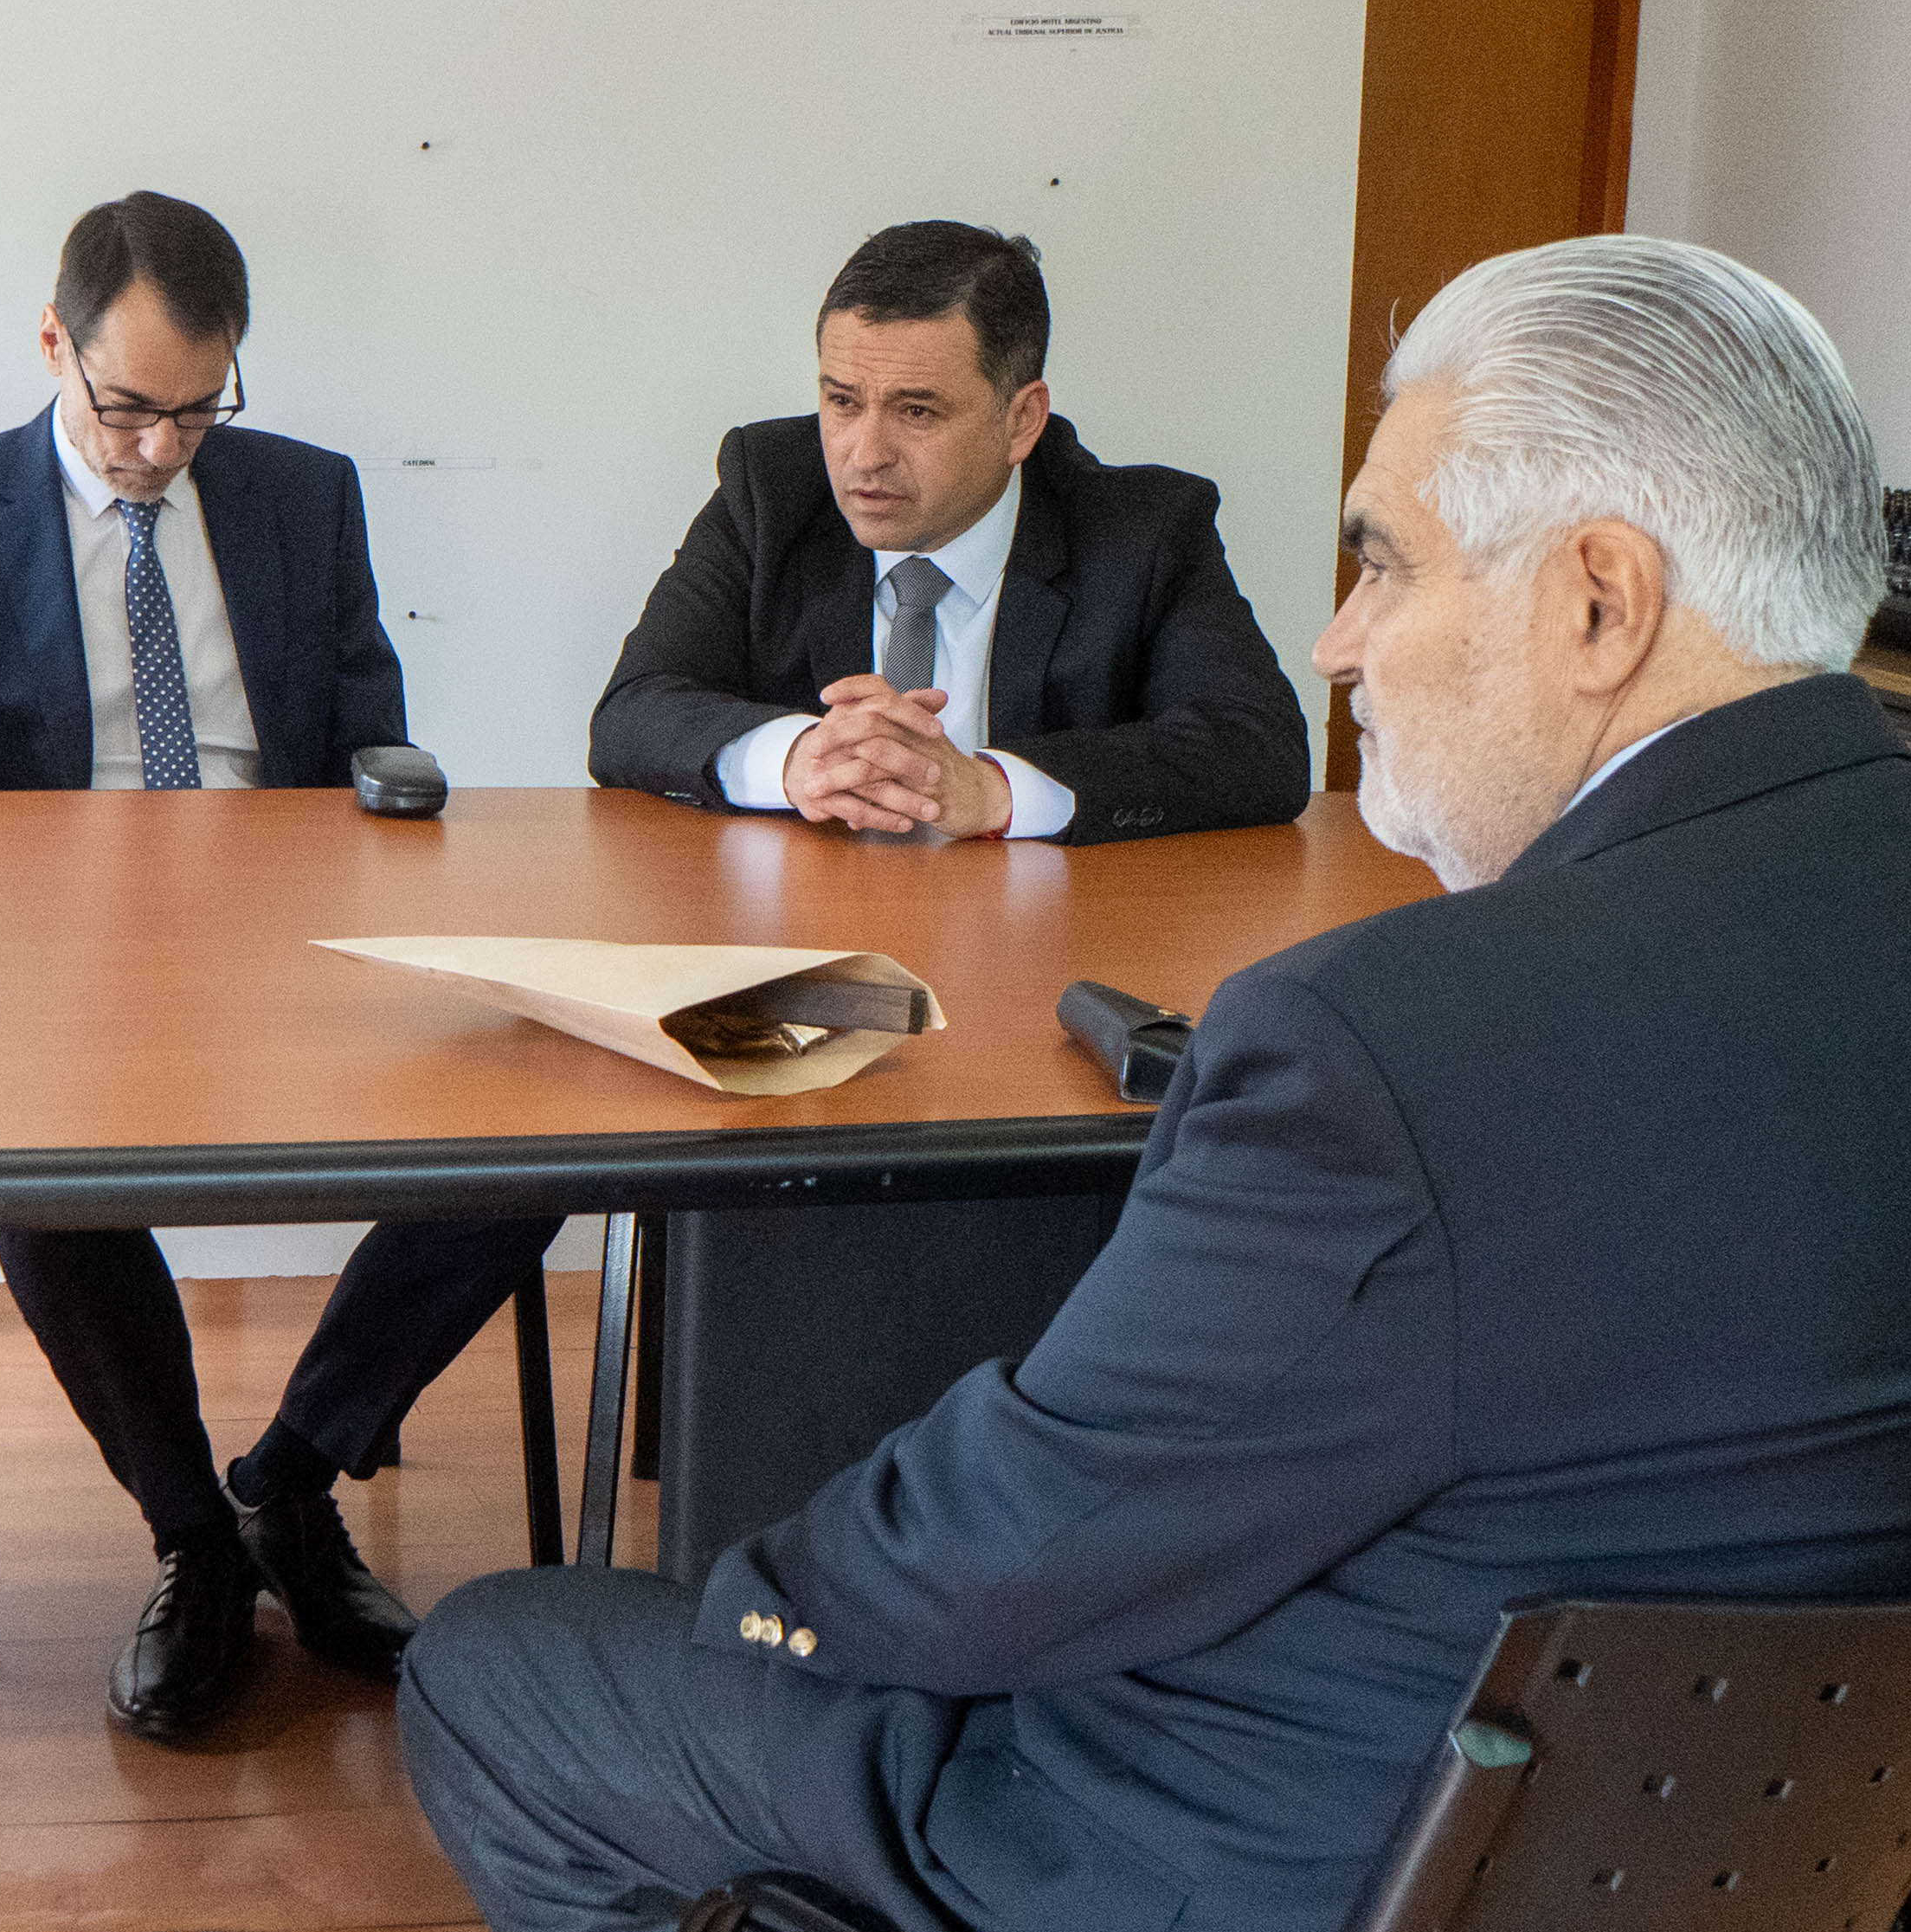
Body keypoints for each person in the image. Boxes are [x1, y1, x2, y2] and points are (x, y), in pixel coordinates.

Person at [398, 236, 1911, 1932]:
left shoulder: (1392, 1046)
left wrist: (773, 1583)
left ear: (1597, 601)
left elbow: (992, 1565)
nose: (1342, 639)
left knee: (516, 1676)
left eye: (1381, 558)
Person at [254, 221, 1320, 1528]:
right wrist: (800, 755)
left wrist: (989, 788)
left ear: (1023, 414)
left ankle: (1069, 1506)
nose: (863, 451)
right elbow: (633, 713)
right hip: (794, 989)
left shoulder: (1143, 527)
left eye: (917, 410)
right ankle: (288, 1476)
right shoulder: (771, 488)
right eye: (840, 398)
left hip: (1039, 1004)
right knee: (533, 1106)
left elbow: (1260, 750)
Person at [0, 190, 422, 1742]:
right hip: (57, 958)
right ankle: (193, 1540)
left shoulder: (307, 497)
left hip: (284, 933)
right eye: (127, 407)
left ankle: (288, 1484)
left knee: (530, 1139)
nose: (162, 447)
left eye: (197, 409)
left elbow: (370, 732)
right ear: (54, 342)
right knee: (34, 1176)